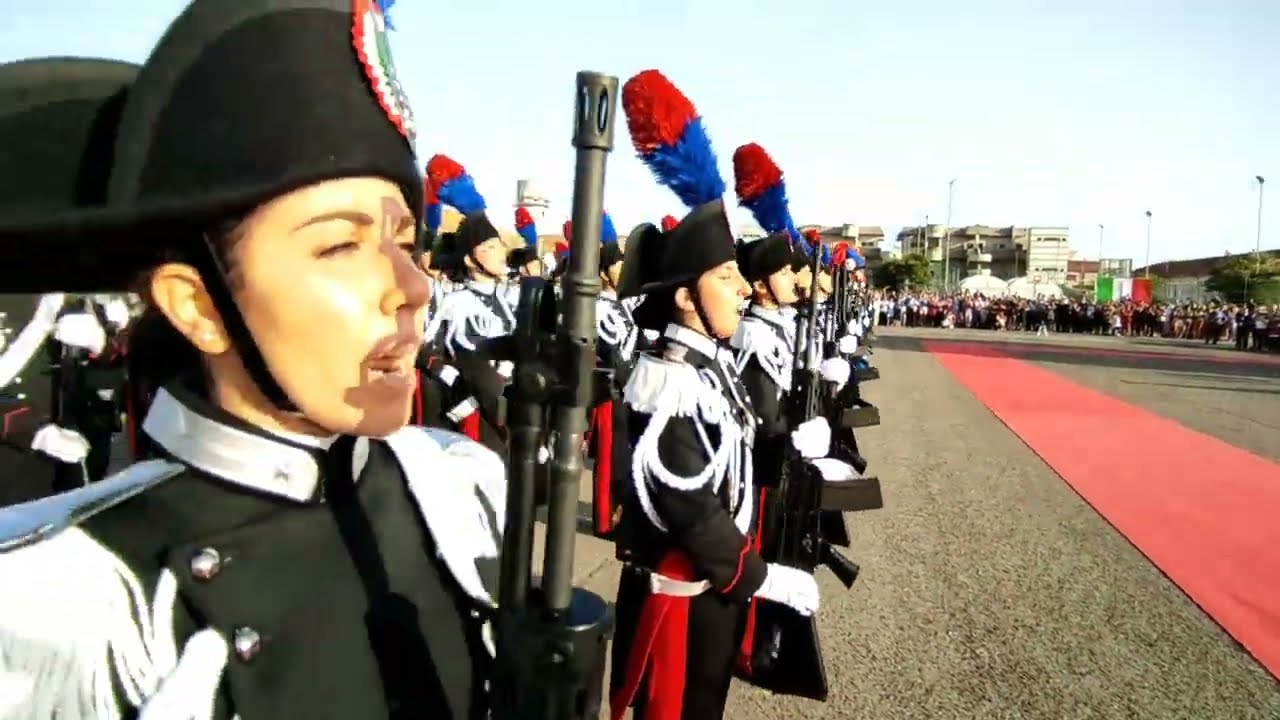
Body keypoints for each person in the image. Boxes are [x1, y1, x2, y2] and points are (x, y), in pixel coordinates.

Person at [0, 2, 504, 718]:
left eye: (403, 240)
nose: (414, 286)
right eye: (339, 245)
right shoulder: (65, 604)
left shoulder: (456, 488)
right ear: (198, 307)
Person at [607, 69, 824, 720]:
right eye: (726, 277)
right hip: (682, 593)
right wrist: (760, 575)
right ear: (684, 295)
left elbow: (737, 451)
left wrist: (792, 445)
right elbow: (690, 506)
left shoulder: (709, 368)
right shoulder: (668, 380)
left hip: (712, 587)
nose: (742, 289)